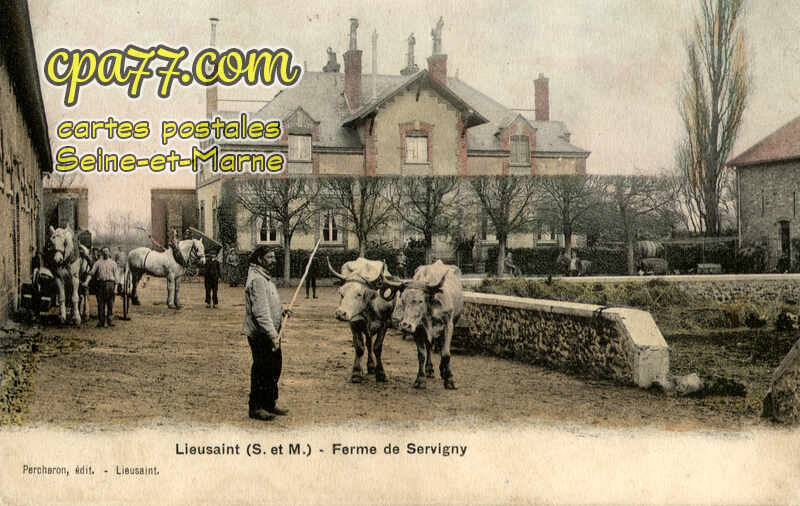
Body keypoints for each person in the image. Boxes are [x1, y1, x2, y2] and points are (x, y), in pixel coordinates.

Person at [243, 246, 289, 421]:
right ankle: (256, 407)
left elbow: (270, 304)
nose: (274, 260)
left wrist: (283, 310)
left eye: (274, 257)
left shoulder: (265, 278)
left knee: (274, 368)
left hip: (271, 332)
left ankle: (269, 404)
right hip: (261, 334)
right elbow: (261, 312)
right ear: (260, 259)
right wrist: (272, 335)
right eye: (270, 257)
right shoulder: (257, 280)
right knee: (262, 369)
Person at [84, 247, 120, 328]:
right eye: (104, 252)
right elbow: (91, 272)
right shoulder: (97, 263)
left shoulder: (113, 263)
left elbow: (116, 276)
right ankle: (101, 322)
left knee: (110, 304)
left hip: (110, 284)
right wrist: (86, 282)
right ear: (101, 253)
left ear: (109, 253)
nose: (105, 253)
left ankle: (110, 321)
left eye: (107, 251)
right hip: (100, 285)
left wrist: (116, 288)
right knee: (100, 304)